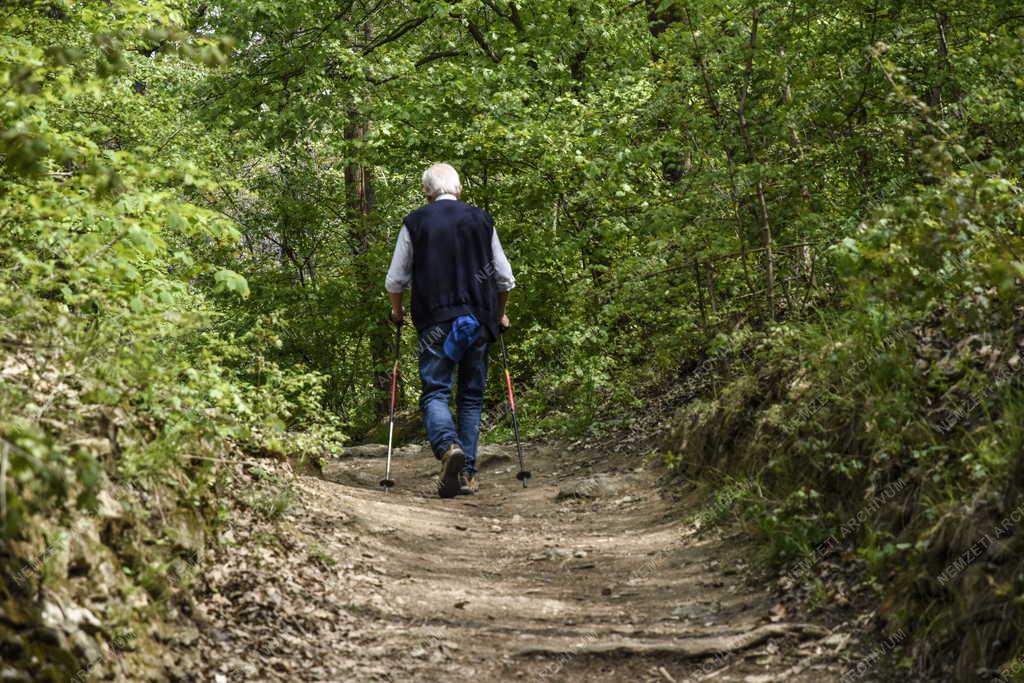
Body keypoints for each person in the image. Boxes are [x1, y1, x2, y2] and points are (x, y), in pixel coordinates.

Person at [385, 163, 515, 498]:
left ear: (427, 193)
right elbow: (504, 277)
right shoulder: (481, 220)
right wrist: (500, 315)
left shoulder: (415, 222)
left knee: (435, 392)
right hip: (478, 320)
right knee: (471, 397)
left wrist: (397, 312)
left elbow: (395, 279)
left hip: (435, 322)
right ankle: (468, 475)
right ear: (458, 190)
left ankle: (448, 448)